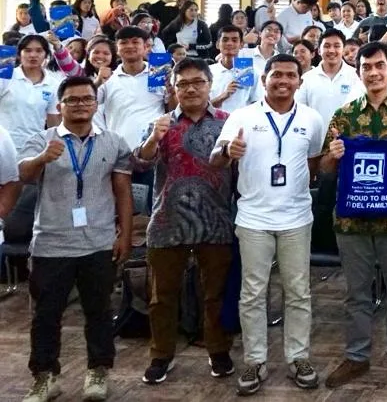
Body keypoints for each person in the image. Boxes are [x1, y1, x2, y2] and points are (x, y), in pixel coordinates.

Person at [211, 55, 325, 395]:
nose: (283, 81)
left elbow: (313, 164)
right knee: (252, 293)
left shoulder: (312, 118)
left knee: (298, 292)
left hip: (296, 218)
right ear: (264, 79)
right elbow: (215, 160)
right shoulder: (241, 116)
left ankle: (298, 357)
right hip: (253, 218)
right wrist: (228, 152)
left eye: (291, 75)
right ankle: (255, 360)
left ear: (300, 82)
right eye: (277, 74)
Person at [319, 42, 387, 388]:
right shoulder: (344, 115)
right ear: (359, 72)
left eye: (379, 65)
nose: (374, 72)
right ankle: (357, 357)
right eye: (366, 67)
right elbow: (324, 169)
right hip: (352, 220)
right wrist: (333, 155)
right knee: (356, 293)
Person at [18, 76, 133, 402]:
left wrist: (124, 235)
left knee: (99, 312)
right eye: (72, 100)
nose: (80, 104)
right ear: (60, 105)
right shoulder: (42, 139)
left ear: (96, 104)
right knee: (45, 315)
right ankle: (45, 377)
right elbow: (23, 174)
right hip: (51, 244)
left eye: (87, 99)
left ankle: (98, 371)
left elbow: (123, 193)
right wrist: (42, 158)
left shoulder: (113, 142)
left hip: (98, 242)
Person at [135, 59, 236, 384]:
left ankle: (218, 351)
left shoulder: (228, 122)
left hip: (215, 220)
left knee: (215, 294)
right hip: (168, 220)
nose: (190, 89)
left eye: (197, 82)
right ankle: (161, 355)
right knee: (162, 296)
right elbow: (140, 162)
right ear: (173, 88)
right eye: (183, 84)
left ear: (210, 85)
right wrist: (154, 138)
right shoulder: (161, 124)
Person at [95, 25, 166, 149]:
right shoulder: (107, 78)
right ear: (117, 49)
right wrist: (97, 82)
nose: (129, 46)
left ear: (146, 47)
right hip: (119, 149)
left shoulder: (159, 72)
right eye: (124, 42)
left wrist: (172, 90)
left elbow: (171, 108)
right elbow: (89, 102)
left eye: (135, 42)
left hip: (155, 148)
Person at [298, 29, 364, 123]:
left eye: (337, 46)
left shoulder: (356, 76)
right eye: (327, 46)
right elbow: (300, 111)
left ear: (343, 49)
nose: (332, 50)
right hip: (316, 132)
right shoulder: (307, 78)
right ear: (319, 50)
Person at [208, 26, 259, 113]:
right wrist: (224, 95)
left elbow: (257, 102)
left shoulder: (250, 71)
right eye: (225, 40)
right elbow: (202, 107)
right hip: (214, 120)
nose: (229, 43)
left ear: (241, 45)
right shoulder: (208, 72)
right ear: (217, 44)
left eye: (234, 40)